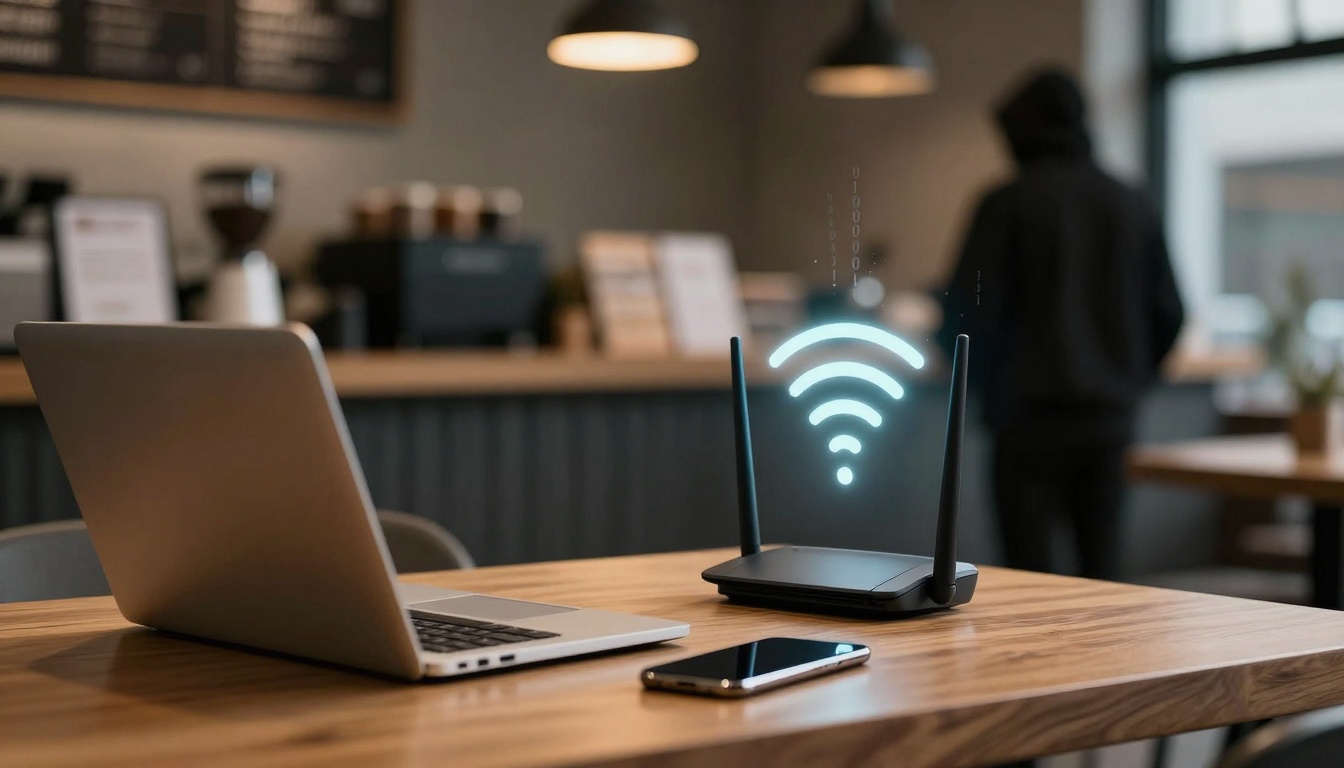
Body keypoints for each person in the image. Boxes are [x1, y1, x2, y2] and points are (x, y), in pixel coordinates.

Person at [936, 68, 1185, 583]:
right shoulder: (1130, 200)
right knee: (1103, 576)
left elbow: (963, 316)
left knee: (1030, 583)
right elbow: (1170, 312)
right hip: (1110, 422)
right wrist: (1129, 382)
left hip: (1025, 421)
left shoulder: (1006, 203)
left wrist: (987, 384)